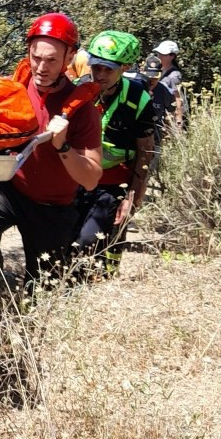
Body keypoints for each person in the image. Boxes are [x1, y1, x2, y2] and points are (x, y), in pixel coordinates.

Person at [0, 13, 103, 313]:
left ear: (69, 57)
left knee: (44, 292)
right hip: (10, 188)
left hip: (53, 208)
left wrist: (63, 146)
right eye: (35, 57)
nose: (41, 68)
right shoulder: (17, 87)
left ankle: (28, 335)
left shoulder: (83, 111)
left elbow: (91, 178)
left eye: (51, 60)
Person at [74, 31, 157, 276]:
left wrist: (133, 195)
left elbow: (146, 150)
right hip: (78, 176)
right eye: (96, 67)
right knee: (67, 237)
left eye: (107, 70)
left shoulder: (137, 99)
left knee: (89, 239)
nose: (99, 75)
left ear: (125, 67)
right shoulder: (79, 90)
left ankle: (105, 277)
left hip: (113, 181)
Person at [152, 40, 185, 127]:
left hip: (169, 115)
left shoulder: (174, 75)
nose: (159, 56)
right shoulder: (159, 69)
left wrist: (178, 119)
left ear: (172, 56)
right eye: (159, 53)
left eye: (163, 54)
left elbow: (178, 98)